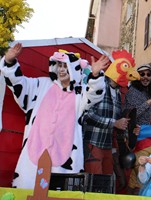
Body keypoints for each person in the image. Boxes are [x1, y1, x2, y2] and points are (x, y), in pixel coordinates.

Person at [0, 43, 110, 189]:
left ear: (74, 69)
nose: (62, 70)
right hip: (33, 154)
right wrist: (9, 62)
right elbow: (18, 83)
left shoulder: (80, 93)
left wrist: (95, 75)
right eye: (59, 65)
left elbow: (95, 95)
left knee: (60, 194)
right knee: (27, 189)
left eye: (66, 66)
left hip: (66, 157)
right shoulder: (40, 85)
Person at [82, 49, 140, 175]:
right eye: (126, 67)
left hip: (107, 145)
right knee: (94, 183)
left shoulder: (118, 94)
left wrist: (130, 129)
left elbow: (118, 122)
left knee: (106, 182)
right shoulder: (100, 85)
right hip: (93, 143)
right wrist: (114, 123)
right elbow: (87, 114)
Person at [124, 64, 151, 194]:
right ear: (136, 76)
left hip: (145, 131)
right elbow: (131, 115)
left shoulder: (145, 93)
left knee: (135, 182)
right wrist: (149, 103)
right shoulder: (133, 91)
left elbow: (142, 114)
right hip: (138, 134)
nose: (145, 77)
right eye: (142, 74)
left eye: (148, 74)